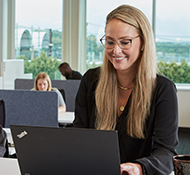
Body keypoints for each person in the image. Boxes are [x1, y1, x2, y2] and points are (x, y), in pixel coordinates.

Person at [73, 5, 178, 175]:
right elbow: (79, 136)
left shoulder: (163, 90)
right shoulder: (91, 80)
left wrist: (139, 168)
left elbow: (167, 153)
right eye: (110, 41)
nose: (116, 50)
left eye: (125, 42)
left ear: (143, 42)